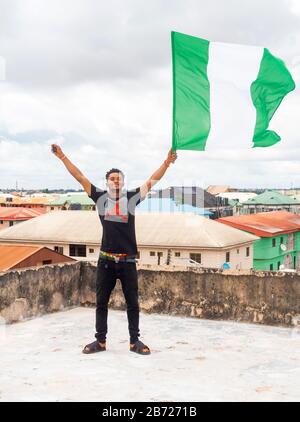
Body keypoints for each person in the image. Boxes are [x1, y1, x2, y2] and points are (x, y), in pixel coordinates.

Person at [51, 143, 177, 355]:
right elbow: (80, 177)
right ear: (107, 182)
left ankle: (134, 341)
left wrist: (167, 163)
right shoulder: (100, 198)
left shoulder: (131, 198)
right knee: (101, 303)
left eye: (119, 178)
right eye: (112, 178)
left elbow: (152, 181)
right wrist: (62, 156)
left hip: (127, 261)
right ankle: (100, 342)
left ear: (123, 182)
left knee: (132, 304)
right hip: (106, 261)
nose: (116, 180)